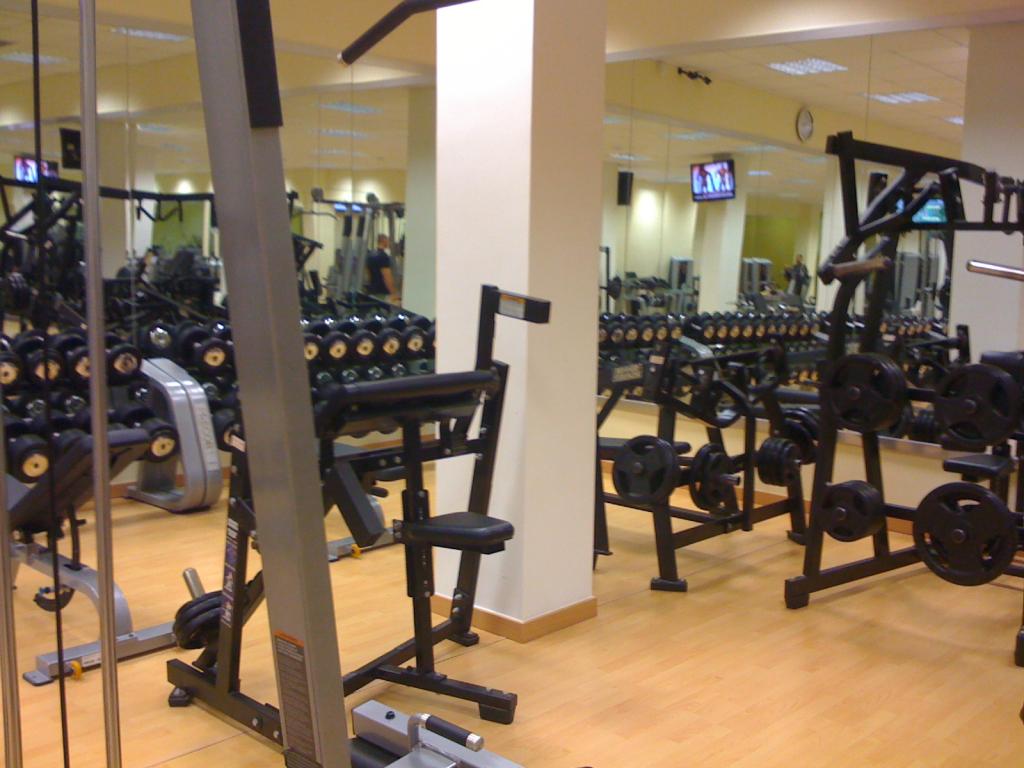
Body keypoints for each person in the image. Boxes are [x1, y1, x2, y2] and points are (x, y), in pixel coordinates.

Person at [365, 233, 397, 304]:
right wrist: (394, 293)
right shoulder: (384, 256)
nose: (389, 243)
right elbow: (387, 277)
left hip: (372, 292)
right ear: (384, 241)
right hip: (382, 293)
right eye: (388, 241)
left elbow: (368, 274)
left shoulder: (370, 255)